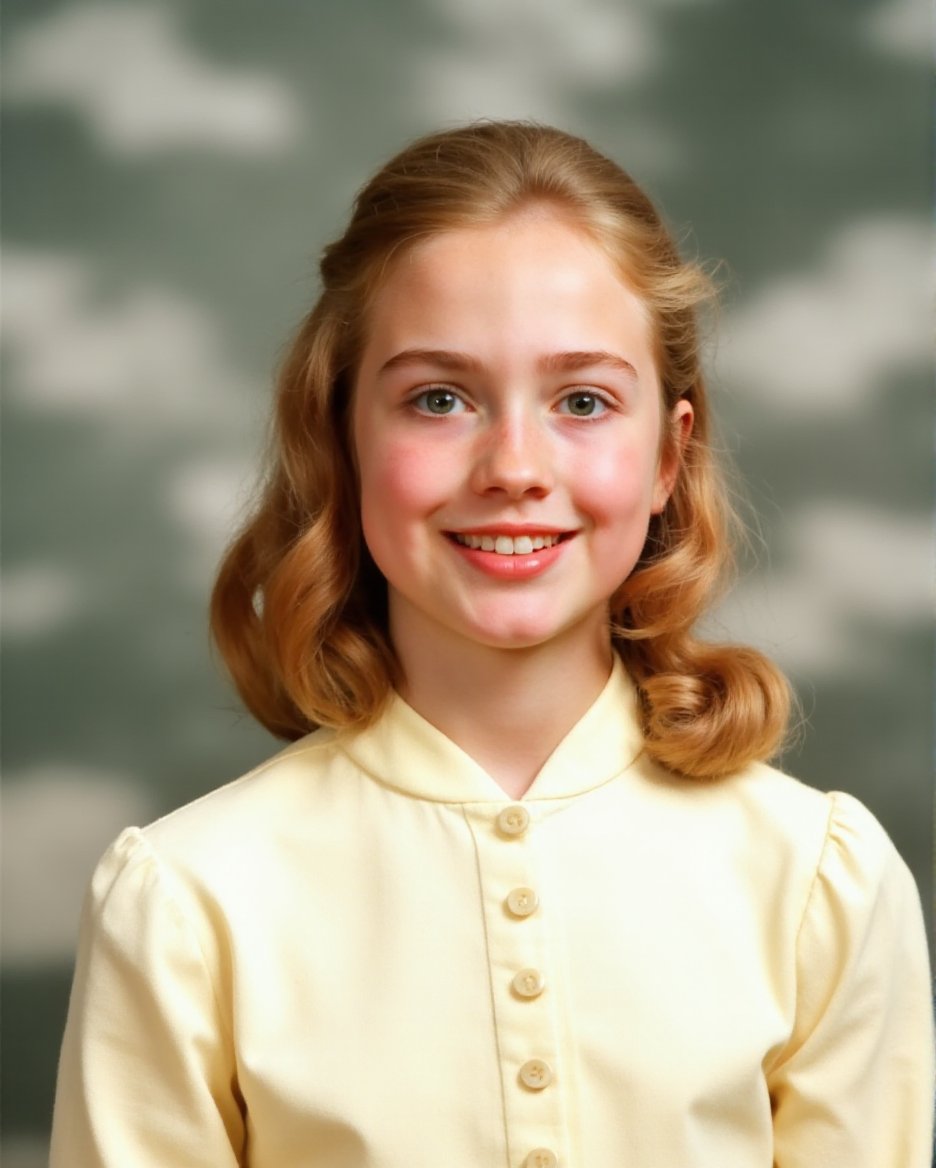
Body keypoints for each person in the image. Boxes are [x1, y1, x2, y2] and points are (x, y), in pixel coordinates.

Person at [50, 121, 933, 1167]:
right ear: (340, 442)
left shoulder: (817, 881)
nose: (515, 465)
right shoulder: (186, 902)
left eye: (583, 401)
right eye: (439, 398)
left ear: (666, 454)